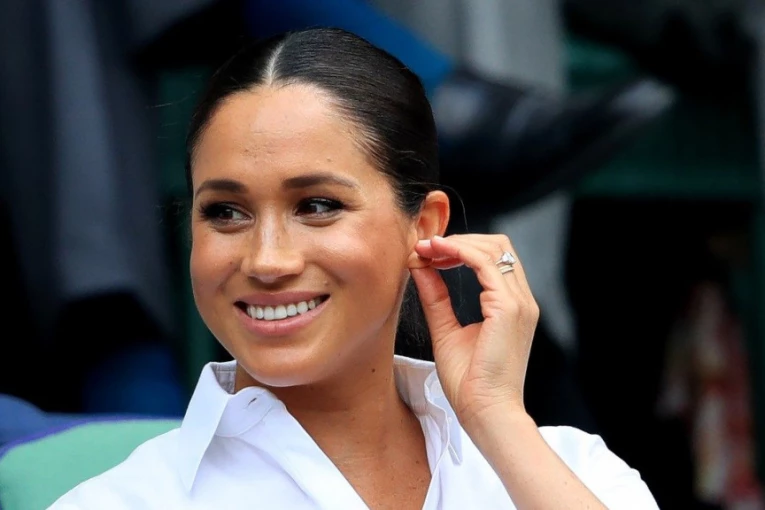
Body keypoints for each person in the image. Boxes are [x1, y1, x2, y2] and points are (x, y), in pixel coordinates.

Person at [49, 28, 658, 509]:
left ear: (425, 225)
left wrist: (497, 417)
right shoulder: (122, 502)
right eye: (226, 212)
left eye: (317, 206)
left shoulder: (572, 471)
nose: (266, 260)